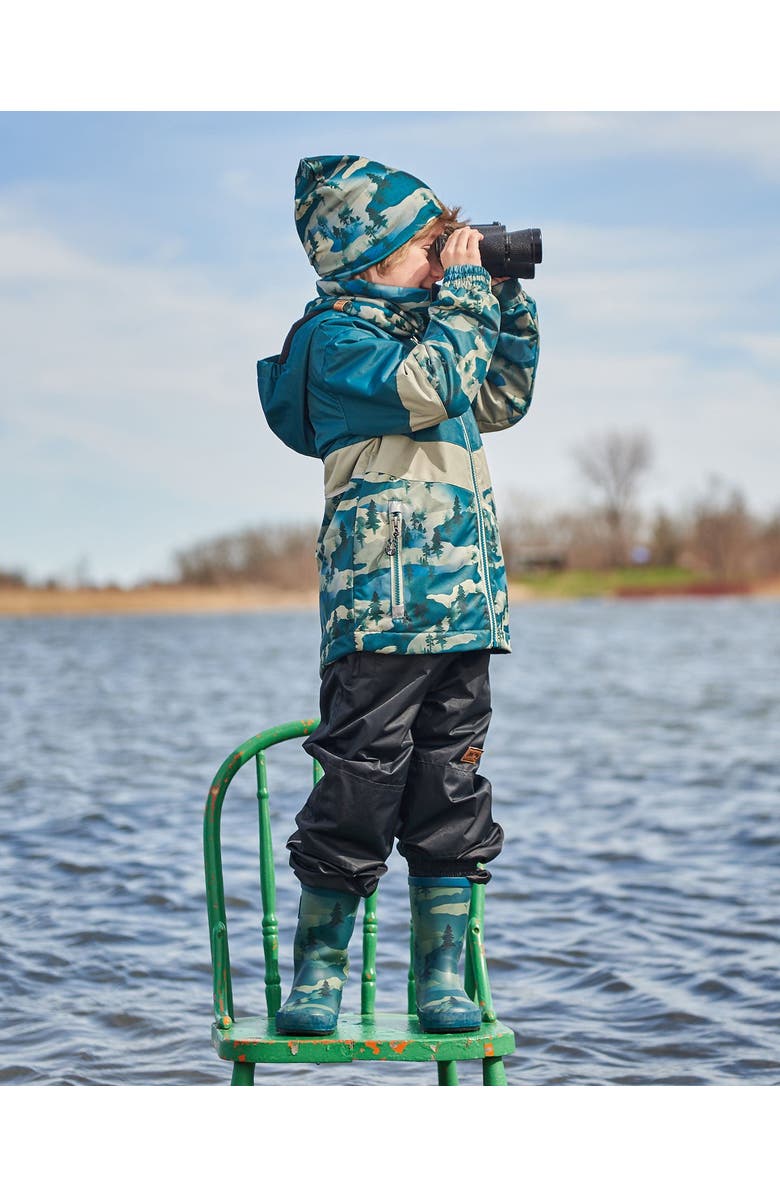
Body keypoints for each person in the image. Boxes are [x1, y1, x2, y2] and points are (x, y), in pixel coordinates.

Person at [257, 155, 540, 1036]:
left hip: (462, 613)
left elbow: (499, 393)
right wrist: (461, 298)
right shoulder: (335, 344)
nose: (444, 259)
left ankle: (439, 980)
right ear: (368, 256)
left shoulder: (442, 330)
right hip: (380, 615)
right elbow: (437, 383)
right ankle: (319, 979)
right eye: (431, 247)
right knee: (357, 787)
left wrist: (502, 294)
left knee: (450, 792)